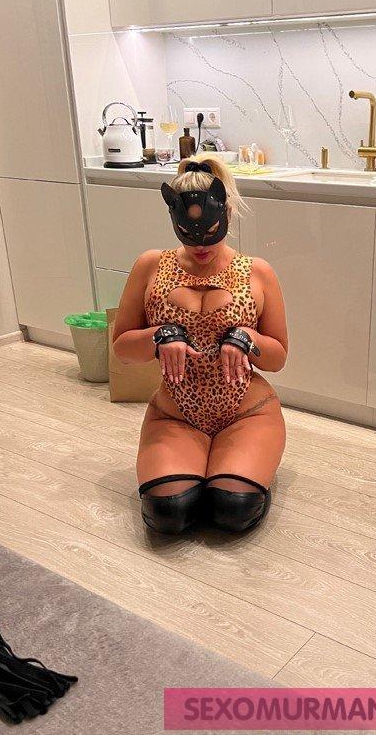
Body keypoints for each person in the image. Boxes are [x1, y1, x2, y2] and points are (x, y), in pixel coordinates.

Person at [112, 154, 288, 535]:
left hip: (247, 411)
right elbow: (122, 348)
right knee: (169, 513)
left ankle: (236, 469)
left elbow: (277, 357)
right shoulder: (150, 265)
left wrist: (247, 339)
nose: (201, 245)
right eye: (187, 233)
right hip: (176, 414)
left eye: (211, 230)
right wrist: (160, 335)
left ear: (227, 214)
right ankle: (204, 466)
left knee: (233, 509)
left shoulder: (257, 272)